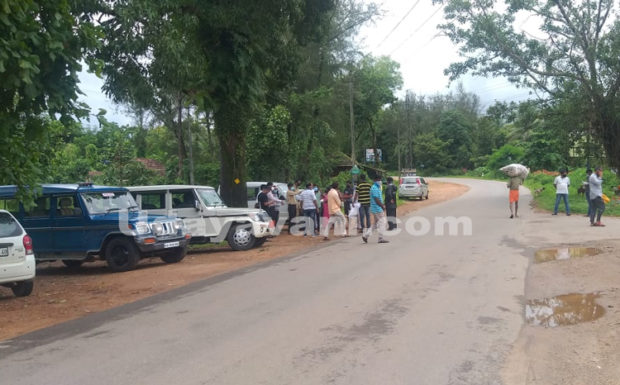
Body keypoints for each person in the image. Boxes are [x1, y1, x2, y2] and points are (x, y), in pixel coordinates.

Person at [363, 175, 389, 244]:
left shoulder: (378, 187)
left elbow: (379, 198)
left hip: (377, 208)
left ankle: (366, 235)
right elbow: (376, 199)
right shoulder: (374, 188)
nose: (379, 181)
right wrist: (382, 206)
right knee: (383, 222)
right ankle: (380, 238)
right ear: (374, 180)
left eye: (380, 179)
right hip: (377, 208)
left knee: (375, 224)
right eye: (378, 179)